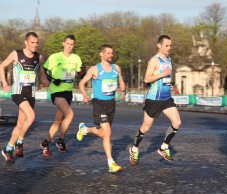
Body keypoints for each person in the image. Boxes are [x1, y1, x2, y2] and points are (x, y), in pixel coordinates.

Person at [129, 35, 181, 165]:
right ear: (159, 45)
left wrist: (171, 86)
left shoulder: (169, 60)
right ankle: (134, 148)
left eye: (170, 45)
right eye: (166, 45)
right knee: (146, 127)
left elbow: (166, 78)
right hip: (154, 100)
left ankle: (164, 147)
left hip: (166, 99)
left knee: (177, 122)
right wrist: (163, 74)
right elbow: (147, 79)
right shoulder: (154, 60)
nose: (169, 48)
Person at [0, 32, 49, 162]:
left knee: (21, 124)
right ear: (26, 42)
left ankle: (8, 149)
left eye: (37, 42)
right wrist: (5, 83)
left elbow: (42, 73)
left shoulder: (39, 57)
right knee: (31, 117)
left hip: (31, 94)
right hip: (18, 92)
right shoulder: (16, 54)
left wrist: (44, 80)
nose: (35, 45)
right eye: (32, 42)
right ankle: (20, 142)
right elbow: (1, 66)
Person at [76, 44, 126, 173]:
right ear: (101, 54)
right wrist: (85, 95)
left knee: (104, 134)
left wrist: (123, 91)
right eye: (108, 53)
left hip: (111, 103)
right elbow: (81, 83)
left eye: (111, 53)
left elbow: (120, 80)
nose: (110, 55)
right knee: (108, 132)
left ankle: (85, 129)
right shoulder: (95, 69)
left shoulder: (116, 68)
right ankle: (111, 163)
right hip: (99, 103)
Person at [40, 35, 83, 156]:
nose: (69, 46)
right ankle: (61, 140)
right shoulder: (55, 57)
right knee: (70, 114)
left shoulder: (76, 58)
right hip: (57, 92)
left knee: (58, 121)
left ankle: (46, 142)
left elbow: (80, 72)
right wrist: (52, 80)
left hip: (68, 91)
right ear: (63, 43)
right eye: (68, 44)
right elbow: (43, 69)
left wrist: (82, 72)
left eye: (72, 44)